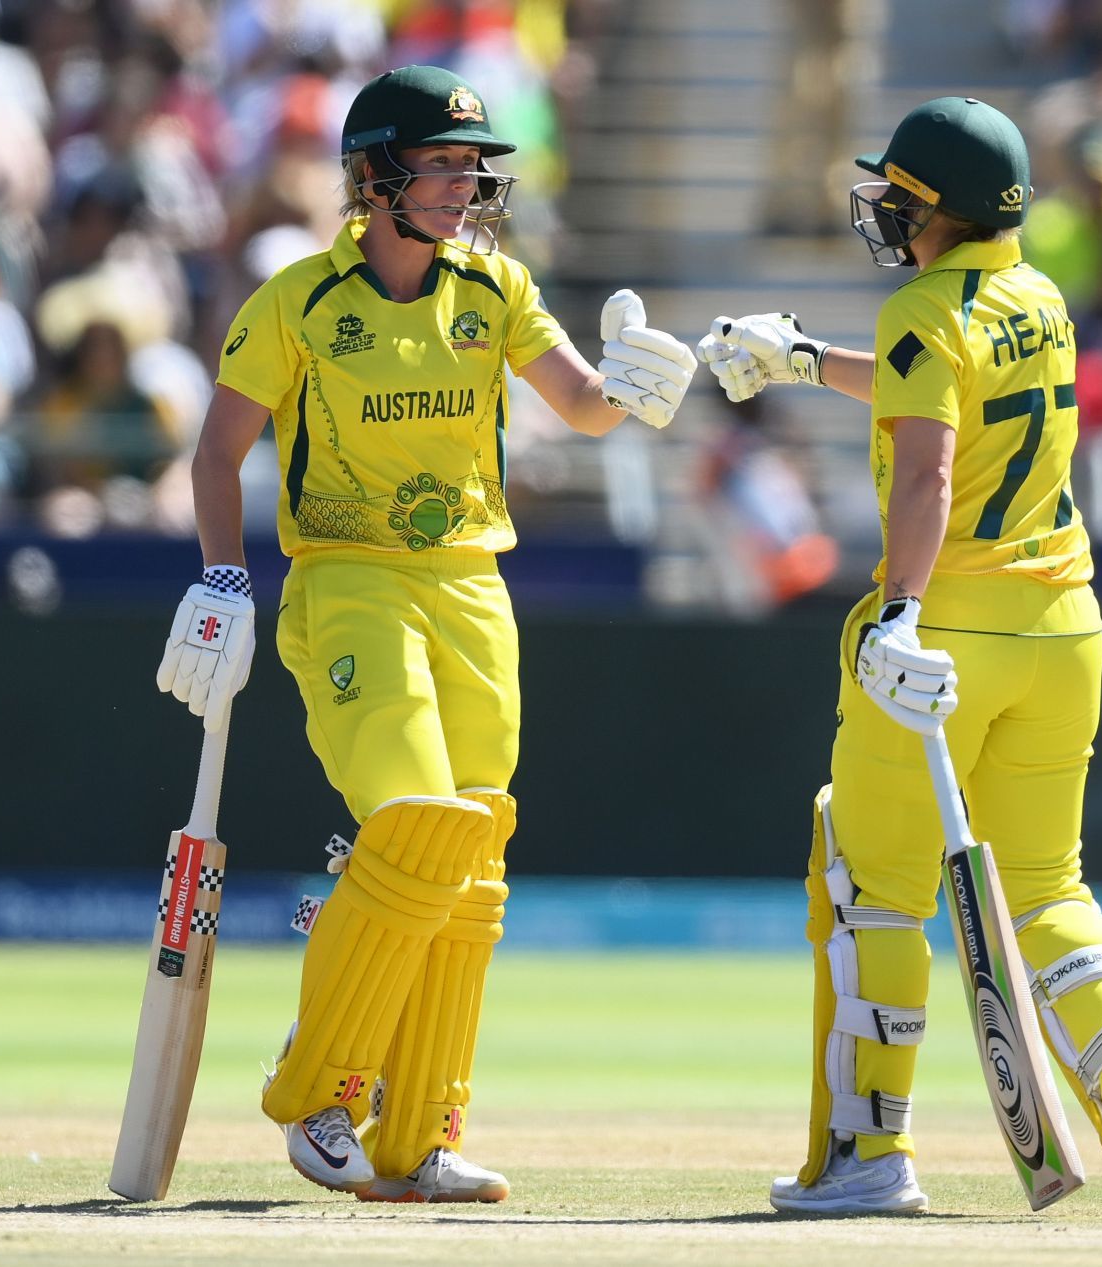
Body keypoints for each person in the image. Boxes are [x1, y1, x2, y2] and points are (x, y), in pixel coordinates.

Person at [154, 66, 695, 1205]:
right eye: (441, 164)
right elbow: (218, 453)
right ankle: (321, 1095)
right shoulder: (297, 301)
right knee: (411, 822)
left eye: (470, 166)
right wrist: (220, 575)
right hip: (348, 580)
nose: (464, 184)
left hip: (471, 589)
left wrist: (638, 390)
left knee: (473, 855)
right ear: (371, 177)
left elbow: (583, 401)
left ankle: (422, 1134)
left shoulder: (493, 289)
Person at [698, 95, 1102, 1217]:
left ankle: (869, 1155)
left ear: (942, 208)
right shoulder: (1042, 297)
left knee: (874, 883)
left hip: (946, 632)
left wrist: (899, 613)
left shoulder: (923, 306)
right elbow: (946, 392)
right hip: (1064, 628)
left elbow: (927, 470)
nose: (886, 207)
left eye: (901, 194)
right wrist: (802, 358)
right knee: (1048, 885)